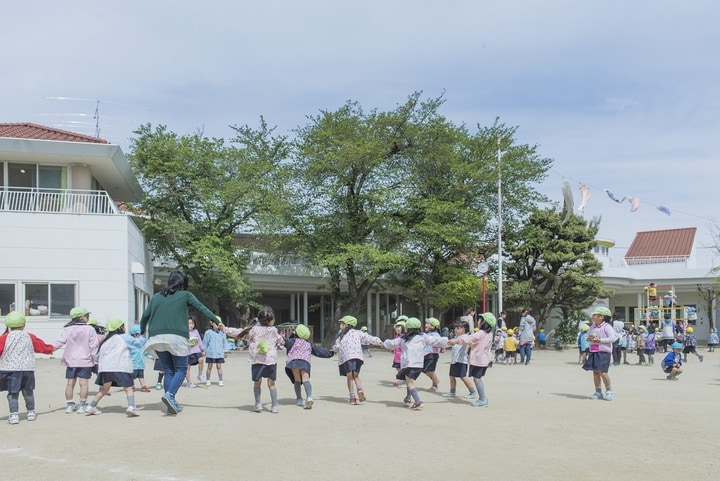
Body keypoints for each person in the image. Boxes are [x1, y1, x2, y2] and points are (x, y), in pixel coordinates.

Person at [140, 270, 217, 415]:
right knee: (181, 369)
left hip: (157, 337)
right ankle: (169, 395)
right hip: (177, 337)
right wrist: (216, 320)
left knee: (169, 370)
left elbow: (145, 316)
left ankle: (171, 403)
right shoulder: (186, 295)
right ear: (183, 283)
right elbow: (201, 308)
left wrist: (143, 331)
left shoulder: (157, 297)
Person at [382, 317, 448, 410]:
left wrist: (382, 344)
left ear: (407, 328)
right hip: (418, 364)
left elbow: (392, 343)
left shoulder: (403, 338)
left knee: (410, 383)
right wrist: (448, 341)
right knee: (410, 381)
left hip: (408, 364)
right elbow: (435, 340)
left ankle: (418, 402)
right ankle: (408, 398)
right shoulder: (423, 337)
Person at [0, 311, 54, 424]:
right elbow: (41, 346)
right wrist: (51, 349)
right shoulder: (29, 336)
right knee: (28, 391)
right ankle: (31, 412)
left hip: (10, 369)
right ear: (23, 325)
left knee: (13, 393)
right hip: (27, 369)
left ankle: (14, 415)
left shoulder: (5, 337)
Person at [84, 318, 140, 417]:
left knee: (104, 389)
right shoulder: (124, 337)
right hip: (121, 367)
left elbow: (97, 356)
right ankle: (131, 406)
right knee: (128, 388)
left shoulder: (105, 340)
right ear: (120, 328)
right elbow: (138, 344)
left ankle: (91, 406)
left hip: (106, 368)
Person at [52, 306, 99, 414]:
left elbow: (60, 341)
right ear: (82, 317)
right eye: (87, 315)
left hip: (71, 360)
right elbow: (94, 346)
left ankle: (69, 405)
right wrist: (95, 359)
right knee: (84, 384)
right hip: (85, 361)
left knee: (70, 384)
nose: (88, 317)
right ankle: (82, 405)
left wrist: (50, 349)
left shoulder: (68, 329)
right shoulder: (90, 329)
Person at [239, 306, 284, 413]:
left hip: (257, 360)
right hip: (270, 361)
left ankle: (258, 404)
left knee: (257, 382)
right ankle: (274, 406)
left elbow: (246, 336)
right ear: (271, 321)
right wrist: (283, 342)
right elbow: (280, 340)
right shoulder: (273, 330)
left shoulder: (254, 329)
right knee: (271, 383)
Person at [447, 312, 496, 407]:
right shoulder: (489, 333)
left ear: (483, 322)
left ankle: (482, 399)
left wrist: (456, 341)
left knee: (477, 379)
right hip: (483, 360)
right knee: (477, 379)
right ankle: (482, 398)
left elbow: (469, 339)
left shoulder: (481, 333)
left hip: (478, 360)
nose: (478, 321)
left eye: (479, 320)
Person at [332, 315, 383, 405]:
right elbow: (368, 338)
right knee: (355, 375)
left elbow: (337, 347)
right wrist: (379, 342)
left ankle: (352, 397)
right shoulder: (358, 332)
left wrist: (334, 351)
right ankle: (360, 389)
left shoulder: (341, 336)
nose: (340, 325)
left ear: (346, 325)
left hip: (347, 358)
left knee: (349, 377)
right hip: (358, 357)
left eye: (342, 323)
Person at [283, 324, 333, 409]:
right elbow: (319, 351)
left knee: (297, 380)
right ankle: (309, 397)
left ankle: (299, 399)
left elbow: (283, 341)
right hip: (305, 362)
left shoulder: (292, 341)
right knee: (306, 380)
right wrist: (330, 353)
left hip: (294, 362)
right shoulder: (309, 344)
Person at [583, 307, 615, 401]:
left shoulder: (607, 326)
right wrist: (589, 338)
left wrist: (600, 340)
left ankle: (609, 390)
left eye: (594, 315)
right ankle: (598, 392)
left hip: (604, 351)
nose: (592, 317)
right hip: (593, 351)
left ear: (601, 317)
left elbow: (612, 338)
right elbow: (588, 335)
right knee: (595, 372)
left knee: (603, 372)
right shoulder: (592, 326)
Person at [442, 321, 477, 399]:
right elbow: (451, 344)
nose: (455, 330)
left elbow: (464, 343)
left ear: (463, 329)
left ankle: (473, 392)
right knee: (451, 376)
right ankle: (452, 391)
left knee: (463, 377)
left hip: (461, 361)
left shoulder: (465, 337)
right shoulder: (456, 337)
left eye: (458, 328)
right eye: (455, 328)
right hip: (454, 361)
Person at [202, 317, 227, 387]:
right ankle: (208, 380)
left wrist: (225, 352)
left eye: (219, 324)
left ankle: (221, 380)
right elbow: (205, 342)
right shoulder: (208, 333)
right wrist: (204, 350)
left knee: (219, 366)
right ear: (212, 323)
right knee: (209, 366)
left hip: (219, 353)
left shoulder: (222, 333)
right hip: (210, 352)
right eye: (216, 323)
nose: (217, 326)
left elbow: (224, 342)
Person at [422, 317, 444, 391]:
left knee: (430, 370)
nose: (426, 325)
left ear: (433, 326)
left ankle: (435, 384)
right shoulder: (427, 334)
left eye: (428, 323)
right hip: (425, 354)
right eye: (426, 323)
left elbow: (439, 343)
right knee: (424, 369)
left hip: (433, 354)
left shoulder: (436, 335)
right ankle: (435, 379)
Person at [128, 325, 150, 392]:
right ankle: (131, 385)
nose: (141, 335)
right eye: (140, 334)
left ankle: (143, 385)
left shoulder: (141, 342)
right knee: (132, 376)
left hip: (140, 363)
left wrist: (150, 356)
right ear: (135, 334)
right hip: (133, 363)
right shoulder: (132, 342)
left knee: (141, 375)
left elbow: (144, 351)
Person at [185, 316, 206, 387]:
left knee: (201, 360)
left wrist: (202, 349)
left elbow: (199, 341)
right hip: (187, 352)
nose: (190, 325)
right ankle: (189, 382)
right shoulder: (184, 332)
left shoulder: (195, 331)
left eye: (192, 324)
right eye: (189, 323)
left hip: (196, 350)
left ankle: (200, 375)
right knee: (187, 367)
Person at [391, 317, 407, 387]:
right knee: (398, 368)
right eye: (396, 327)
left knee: (403, 368)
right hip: (397, 357)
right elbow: (395, 344)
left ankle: (403, 380)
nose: (397, 329)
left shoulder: (405, 337)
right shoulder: (396, 336)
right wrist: (393, 349)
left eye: (399, 327)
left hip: (403, 356)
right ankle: (401, 379)